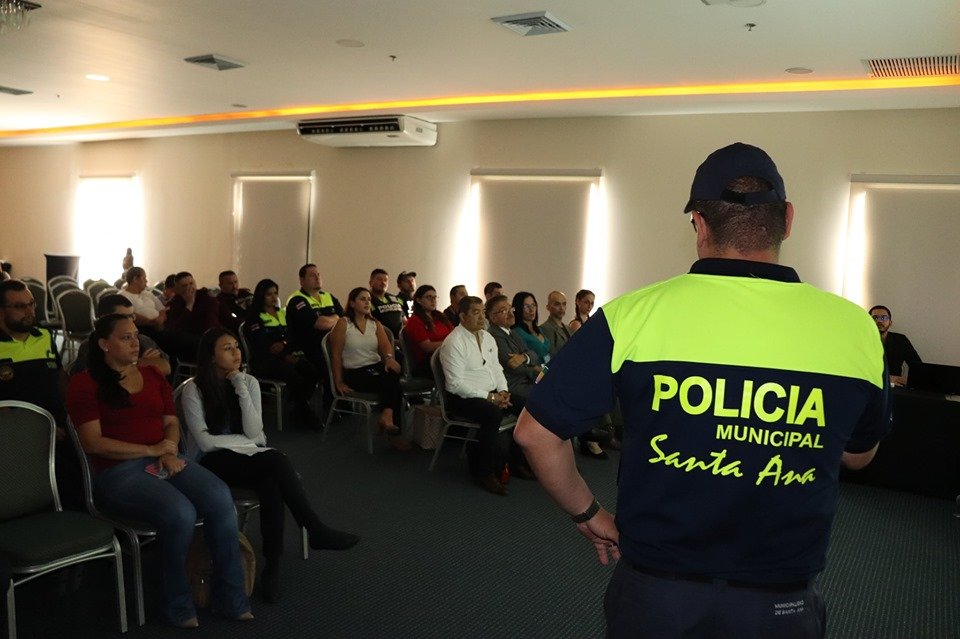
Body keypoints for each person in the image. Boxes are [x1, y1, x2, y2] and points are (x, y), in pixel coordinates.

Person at [514, 142, 890, 639]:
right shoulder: (855, 329)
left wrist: (589, 514)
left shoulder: (631, 317)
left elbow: (535, 435)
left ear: (699, 224)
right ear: (789, 220)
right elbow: (859, 456)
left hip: (658, 594)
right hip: (780, 599)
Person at [65, 314, 253, 628]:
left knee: (221, 498)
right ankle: (175, 602)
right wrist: (153, 451)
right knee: (180, 512)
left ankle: (231, 596)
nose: (135, 342)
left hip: (162, 459)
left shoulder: (153, 376)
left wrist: (168, 447)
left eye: (136, 335)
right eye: (125, 337)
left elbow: (171, 422)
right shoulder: (85, 383)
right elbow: (93, 443)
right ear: (103, 344)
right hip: (118, 472)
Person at [180, 327, 360, 603]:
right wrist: (245, 442)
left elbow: (256, 432)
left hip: (250, 457)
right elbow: (205, 444)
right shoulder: (194, 389)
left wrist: (239, 384)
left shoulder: (248, 382)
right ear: (211, 356)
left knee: (271, 483)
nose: (236, 352)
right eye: (227, 348)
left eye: (237, 347)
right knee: (275, 460)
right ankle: (313, 529)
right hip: (210, 463)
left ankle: (272, 568)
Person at [0, 279, 82, 510]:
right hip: (14, 431)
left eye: (31, 304)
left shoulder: (44, 336)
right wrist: (38, 429)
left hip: (57, 424)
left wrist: (72, 413)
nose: (29, 311)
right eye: (20, 306)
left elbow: (59, 377)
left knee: (76, 472)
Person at [439, 296, 522, 495]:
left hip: (491, 394)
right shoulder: (454, 342)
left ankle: (516, 462)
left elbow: (496, 368)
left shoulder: (487, 337)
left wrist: (503, 391)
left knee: (526, 406)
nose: (481, 317)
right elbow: (454, 384)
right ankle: (485, 473)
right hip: (462, 399)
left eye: (483, 312)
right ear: (462, 316)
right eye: (476, 313)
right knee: (492, 414)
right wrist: (489, 397)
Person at [328, 287, 410, 451]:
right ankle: (393, 431)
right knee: (394, 385)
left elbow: (386, 346)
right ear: (352, 303)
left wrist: (388, 359)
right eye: (362, 299)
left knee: (392, 373)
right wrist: (338, 381)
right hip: (355, 371)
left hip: (374, 367)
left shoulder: (375, 324)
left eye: (369, 299)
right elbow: (335, 355)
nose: (367, 302)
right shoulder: (344, 324)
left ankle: (387, 417)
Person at [243, 278, 322, 428]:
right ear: (261, 296)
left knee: (312, 371)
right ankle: (303, 412)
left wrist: (285, 346)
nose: (274, 297)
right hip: (265, 360)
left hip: (286, 355)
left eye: (275, 293)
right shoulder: (254, 317)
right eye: (269, 294)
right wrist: (284, 355)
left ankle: (299, 407)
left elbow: (292, 336)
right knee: (295, 376)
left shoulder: (282, 313)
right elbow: (262, 345)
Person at [70, 294, 170, 377]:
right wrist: (140, 363)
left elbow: (166, 366)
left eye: (132, 316)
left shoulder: (143, 340)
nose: (130, 321)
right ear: (105, 319)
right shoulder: (89, 346)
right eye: (123, 317)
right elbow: (91, 379)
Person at [284, 263, 343, 374]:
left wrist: (335, 319)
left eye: (318, 274)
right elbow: (320, 324)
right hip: (308, 349)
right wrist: (336, 318)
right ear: (302, 280)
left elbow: (345, 320)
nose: (317, 278)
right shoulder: (297, 300)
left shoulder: (328, 296)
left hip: (331, 345)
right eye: (312, 275)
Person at [403, 284, 453, 379]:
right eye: (429, 297)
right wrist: (451, 343)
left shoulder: (440, 316)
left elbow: (455, 335)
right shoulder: (415, 320)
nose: (433, 300)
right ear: (418, 300)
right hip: (428, 362)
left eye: (435, 297)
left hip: (447, 356)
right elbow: (427, 347)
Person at [868, 304, 921, 387]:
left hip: (895, 388)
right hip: (869, 385)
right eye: (875, 318)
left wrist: (911, 381)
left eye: (884, 318)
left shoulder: (901, 340)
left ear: (890, 322)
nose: (880, 321)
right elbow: (856, 369)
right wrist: (886, 378)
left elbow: (917, 366)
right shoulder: (862, 341)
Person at [511, 292, 551, 365]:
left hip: (547, 369)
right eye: (526, 306)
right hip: (534, 373)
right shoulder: (517, 332)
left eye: (533, 305)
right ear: (519, 308)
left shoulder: (539, 329)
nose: (531, 310)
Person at [368, 268, 405, 339]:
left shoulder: (395, 299)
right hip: (380, 339)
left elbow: (404, 320)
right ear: (371, 283)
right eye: (379, 279)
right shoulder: (367, 299)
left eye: (385, 280)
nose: (383, 282)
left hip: (401, 341)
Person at [540, 291, 571, 357]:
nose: (561, 308)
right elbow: (550, 354)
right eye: (557, 304)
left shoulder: (569, 329)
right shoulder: (544, 328)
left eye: (564, 304)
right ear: (548, 307)